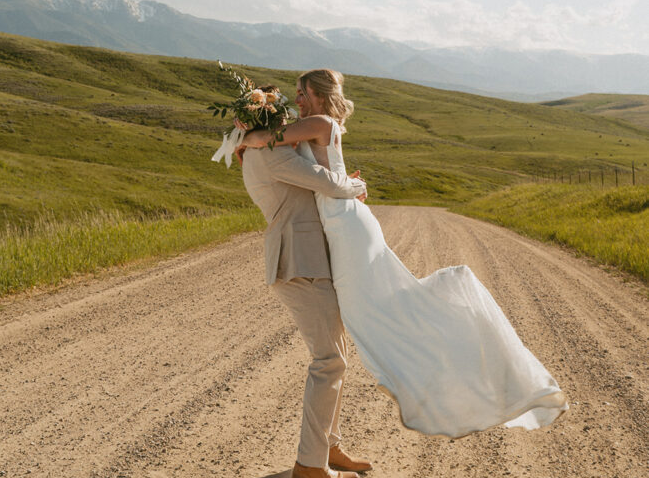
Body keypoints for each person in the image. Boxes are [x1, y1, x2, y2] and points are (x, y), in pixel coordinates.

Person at [240, 69, 568, 440]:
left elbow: (267, 138)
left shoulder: (319, 120)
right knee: (375, 314)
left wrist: (243, 131)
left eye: (300, 92)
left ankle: (450, 367)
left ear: (317, 94)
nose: (296, 100)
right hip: (341, 221)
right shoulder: (318, 122)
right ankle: (345, 432)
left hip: (346, 225)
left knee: (378, 314)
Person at [237, 101, 373, 478]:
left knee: (336, 355)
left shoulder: (262, 150)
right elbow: (327, 183)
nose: (288, 116)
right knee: (328, 361)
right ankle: (310, 466)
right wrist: (357, 186)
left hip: (306, 258)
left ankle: (330, 447)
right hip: (299, 260)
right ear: (269, 118)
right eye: (281, 111)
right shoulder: (271, 154)